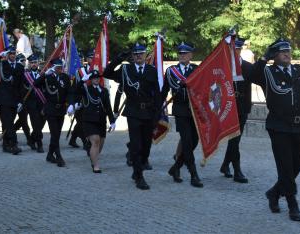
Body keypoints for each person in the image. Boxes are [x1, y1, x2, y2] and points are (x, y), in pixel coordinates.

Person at [251, 38, 300, 222]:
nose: (287, 53)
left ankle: (274, 192)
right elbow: (252, 75)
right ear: (274, 55)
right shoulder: (268, 72)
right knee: (286, 167)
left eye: (288, 50)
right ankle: (292, 204)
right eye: (282, 51)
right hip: (279, 127)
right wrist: (264, 57)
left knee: (297, 166)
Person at [103, 43, 162, 190]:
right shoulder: (125, 69)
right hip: (134, 112)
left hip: (149, 112)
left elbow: (157, 93)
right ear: (132, 56)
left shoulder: (151, 70)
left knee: (146, 147)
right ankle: (139, 176)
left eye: (141, 53)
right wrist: (118, 59)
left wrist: (157, 113)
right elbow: (107, 73)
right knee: (136, 146)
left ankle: (138, 170)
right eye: (135, 54)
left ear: (145, 54)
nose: (138, 56)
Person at [162, 42, 203, 188]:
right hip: (180, 110)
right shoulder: (171, 71)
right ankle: (194, 175)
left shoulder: (196, 69)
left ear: (191, 55)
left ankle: (176, 167)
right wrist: (159, 105)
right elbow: (165, 89)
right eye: (180, 53)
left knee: (195, 141)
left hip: (195, 110)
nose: (183, 56)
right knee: (186, 141)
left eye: (185, 53)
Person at [219, 38, 253, 183]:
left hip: (243, 106)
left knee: (235, 139)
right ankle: (237, 170)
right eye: (233, 49)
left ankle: (226, 165)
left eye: (238, 49)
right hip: (229, 107)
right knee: (234, 139)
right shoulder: (224, 67)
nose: (236, 52)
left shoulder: (247, 66)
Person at [69, 70, 116, 173]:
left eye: (98, 77)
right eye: (94, 78)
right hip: (89, 120)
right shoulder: (86, 89)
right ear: (91, 79)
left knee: (101, 142)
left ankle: (93, 157)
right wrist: (81, 81)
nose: (96, 79)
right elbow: (74, 90)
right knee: (96, 140)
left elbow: (108, 106)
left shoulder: (104, 91)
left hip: (101, 120)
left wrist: (112, 121)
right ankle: (96, 166)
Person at [34, 59, 71, 167]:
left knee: (57, 134)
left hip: (61, 109)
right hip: (50, 109)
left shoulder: (65, 77)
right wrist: (45, 74)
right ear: (53, 67)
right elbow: (35, 84)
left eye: (61, 67)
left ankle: (50, 154)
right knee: (54, 133)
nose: (60, 69)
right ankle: (58, 156)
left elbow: (68, 91)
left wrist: (71, 104)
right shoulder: (47, 77)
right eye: (57, 67)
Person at [0, 46, 24, 155]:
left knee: (8, 123)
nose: (12, 55)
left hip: (14, 99)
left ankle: (5, 144)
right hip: (4, 99)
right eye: (10, 53)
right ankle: (13, 144)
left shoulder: (19, 66)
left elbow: (20, 86)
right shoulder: (2, 64)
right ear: (7, 54)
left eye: (14, 54)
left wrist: (20, 101)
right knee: (8, 122)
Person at [68, 50, 93, 149]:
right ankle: (86, 143)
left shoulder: (96, 69)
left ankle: (73, 139)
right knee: (81, 122)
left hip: (91, 101)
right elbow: (74, 88)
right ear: (87, 59)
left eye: (93, 57)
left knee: (82, 122)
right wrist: (74, 102)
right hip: (81, 100)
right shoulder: (79, 72)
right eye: (90, 57)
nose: (92, 59)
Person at [23, 54, 47, 153]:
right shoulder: (25, 75)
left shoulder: (43, 73)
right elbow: (22, 89)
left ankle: (32, 139)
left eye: (35, 62)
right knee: (36, 123)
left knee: (42, 122)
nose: (34, 64)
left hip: (42, 102)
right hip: (31, 103)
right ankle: (39, 144)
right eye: (32, 63)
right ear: (29, 64)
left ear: (38, 63)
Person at [12, 54, 34, 147]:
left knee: (22, 121)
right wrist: (17, 101)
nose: (24, 63)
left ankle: (28, 139)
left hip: (24, 100)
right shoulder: (14, 72)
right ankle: (12, 138)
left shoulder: (26, 73)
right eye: (22, 61)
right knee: (20, 121)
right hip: (15, 100)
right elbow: (14, 88)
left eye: (25, 61)